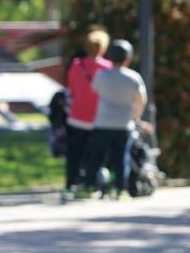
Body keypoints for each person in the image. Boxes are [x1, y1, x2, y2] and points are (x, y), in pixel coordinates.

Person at [91, 39, 147, 199]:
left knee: (97, 156)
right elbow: (141, 100)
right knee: (121, 158)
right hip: (124, 124)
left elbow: (95, 89)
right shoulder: (133, 77)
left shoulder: (101, 76)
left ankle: (89, 185)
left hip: (102, 122)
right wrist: (135, 116)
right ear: (128, 59)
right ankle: (120, 189)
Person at [63, 26, 112, 198]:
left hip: (76, 116)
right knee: (95, 154)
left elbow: (72, 89)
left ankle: (70, 185)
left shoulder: (76, 65)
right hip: (99, 118)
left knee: (74, 154)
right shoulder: (108, 67)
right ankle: (91, 185)